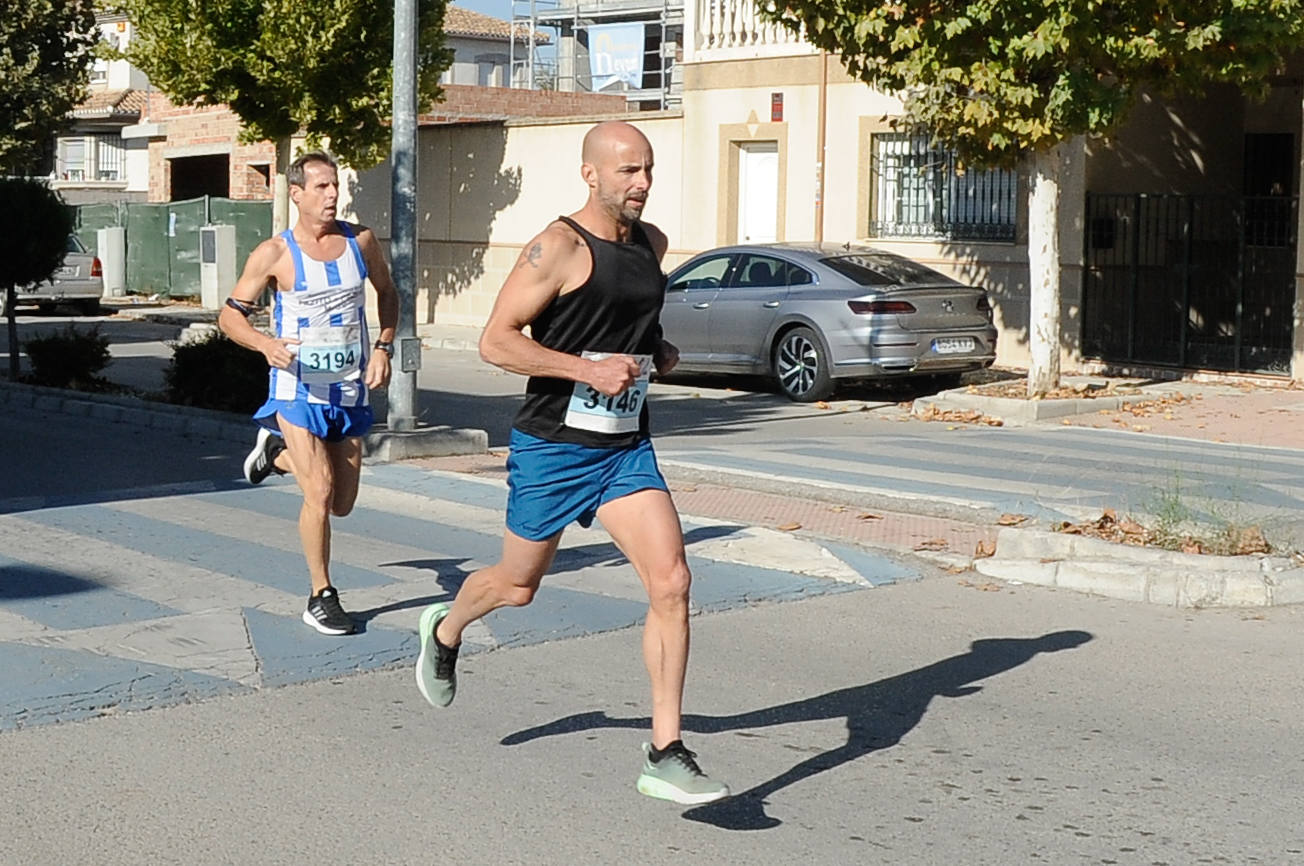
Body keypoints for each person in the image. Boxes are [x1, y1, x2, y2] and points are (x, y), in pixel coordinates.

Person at [413, 121, 730, 805]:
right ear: (591, 174)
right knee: (517, 587)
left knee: (672, 581)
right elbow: (496, 343)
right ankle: (444, 629)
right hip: (553, 447)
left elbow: (630, 324)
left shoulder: (653, 244)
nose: (642, 183)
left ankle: (665, 749)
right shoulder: (556, 248)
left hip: (623, 447)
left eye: (647, 169)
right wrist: (583, 367)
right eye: (627, 172)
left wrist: (658, 352)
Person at [218, 150, 398, 636]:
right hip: (296, 386)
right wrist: (263, 344)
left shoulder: (360, 242)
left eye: (335, 185)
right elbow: (230, 315)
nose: (332, 194)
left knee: (342, 502)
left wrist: (383, 347)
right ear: (295, 194)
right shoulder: (274, 253)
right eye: (320, 187)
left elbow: (389, 292)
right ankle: (321, 595)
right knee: (317, 492)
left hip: (348, 387)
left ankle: (274, 453)